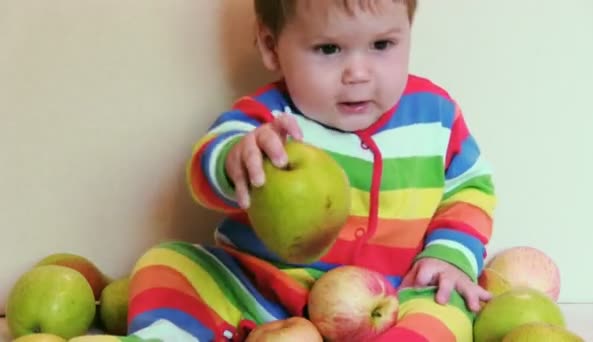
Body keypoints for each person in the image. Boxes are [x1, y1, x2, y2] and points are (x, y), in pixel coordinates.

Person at [126, 0, 497, 341]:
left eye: (382, 45)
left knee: (446, 308)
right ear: (272, 48)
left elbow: (470, 190)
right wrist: (236, 159)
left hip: (392, 299)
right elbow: (208, 166)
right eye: (329, 49)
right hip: (265, 291)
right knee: (170, 265)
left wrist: (450, 256)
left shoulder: (435, 116)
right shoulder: (269, 121)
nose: (358, 73)